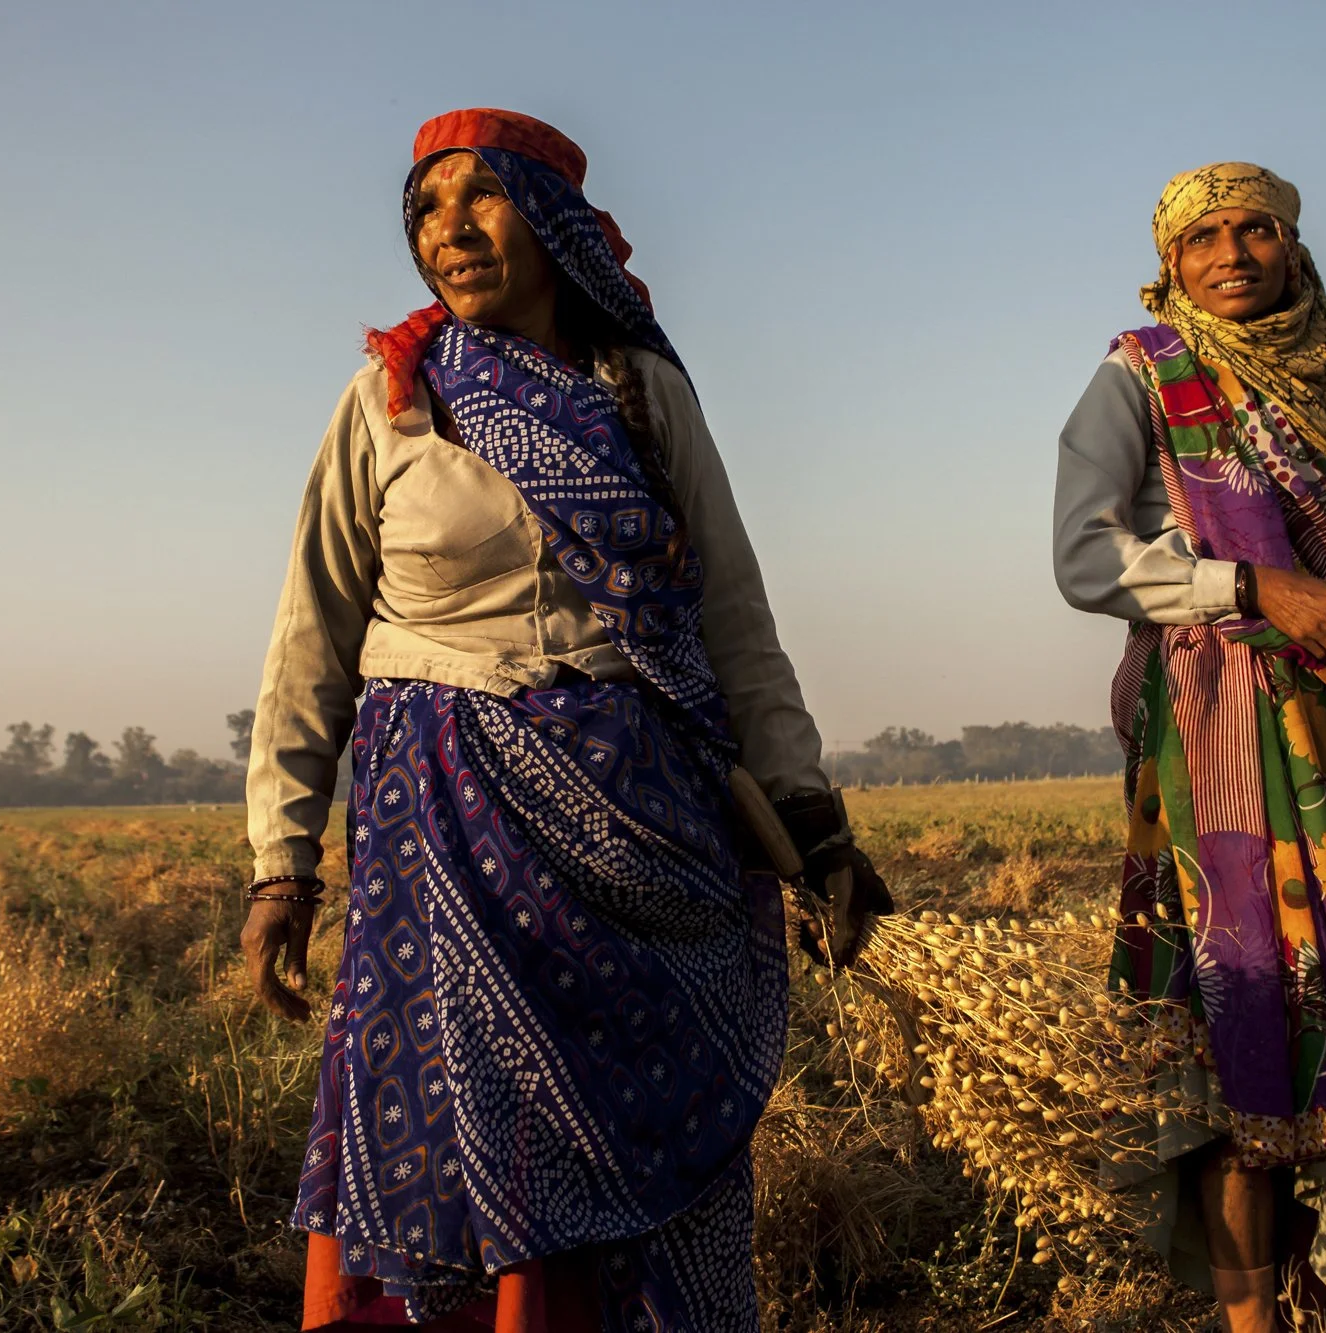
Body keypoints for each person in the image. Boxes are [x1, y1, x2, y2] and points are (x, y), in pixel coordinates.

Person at [241, 108, 890, 1332]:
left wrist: (810, 819)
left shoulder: (641, 391)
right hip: (438, 818)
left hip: (640, 826)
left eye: (481, 197)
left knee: (637, 1119)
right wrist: (280, 861)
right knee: (474, 1127)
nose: (450, 230)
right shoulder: (389, 404)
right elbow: (309, 639)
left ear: (554, 223)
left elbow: (734, 618)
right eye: (426, 207)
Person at [1053, 163, 1326, 1332]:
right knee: (1237, 1024)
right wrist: (1253, 588)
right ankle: (1247, 1320)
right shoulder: (1137, 377)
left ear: (1292, 251)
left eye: (1256, 231)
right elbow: (1085, 560)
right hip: (1211, 739)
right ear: (1168, 263)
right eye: (1202, 238)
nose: (1230, 252)